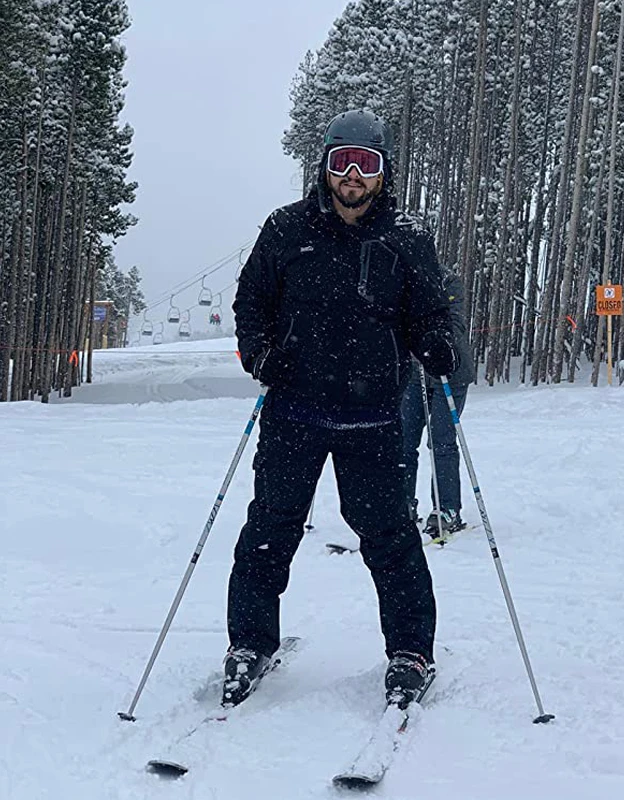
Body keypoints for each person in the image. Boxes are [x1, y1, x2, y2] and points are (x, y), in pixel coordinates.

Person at [225, 110, 460, 710]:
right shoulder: (286, 230)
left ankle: (410, 652)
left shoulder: (406, 239)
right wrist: (260, 355)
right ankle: (250, 645)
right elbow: (250, 300)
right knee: (269, 533)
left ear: (383, 172)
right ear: (325, 167)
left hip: (374, 417)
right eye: (341, 163)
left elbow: (433, 310)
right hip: (295, 413)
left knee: (389, 536)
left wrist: (436, 341)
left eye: (366, 164)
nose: (352, 176)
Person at [401, 266, 474, 538]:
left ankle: (447, 509)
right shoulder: (403, 279)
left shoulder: (447, 280)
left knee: (440, 441)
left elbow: (455, 323)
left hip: (450, 371)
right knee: (405, 440)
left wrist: (435, 342)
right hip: (415, 373)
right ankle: (403, 503)